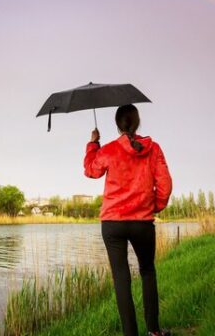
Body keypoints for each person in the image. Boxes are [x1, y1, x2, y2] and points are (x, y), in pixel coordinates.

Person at [84, 104, 173, 336]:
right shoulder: (153, 149)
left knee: (121, 279)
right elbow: (165, 185)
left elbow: (91, 171)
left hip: (112, 224)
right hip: (142, 222)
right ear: (137, 122)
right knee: (147, 271)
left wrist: (93, 144)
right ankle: (154, 332)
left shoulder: (110, 150)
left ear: (117, 125)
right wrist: (153, 207)